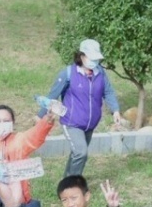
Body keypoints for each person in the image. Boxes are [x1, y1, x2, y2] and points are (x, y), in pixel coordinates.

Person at [45, 39, 123, 177]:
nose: (94, 62)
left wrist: (115, 110)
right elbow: (53, 95)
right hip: (71, 122)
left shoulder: (100, 73)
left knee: (79, 154)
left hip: (90, 124)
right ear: (81, 56)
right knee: (81, 152)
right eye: (91, 58)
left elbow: (108, 91)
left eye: (96, 59)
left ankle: (67, 181)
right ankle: (72, 186)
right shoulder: (68, 73)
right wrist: (40, 116)